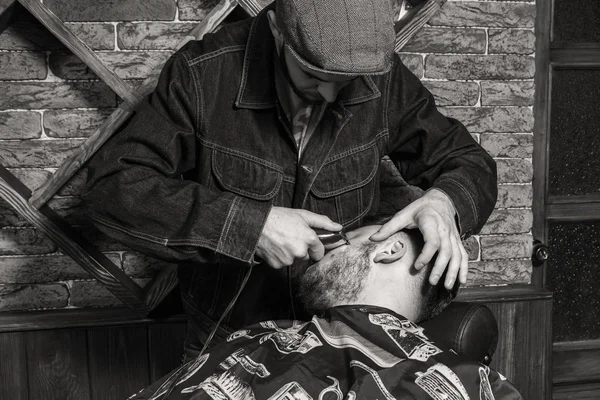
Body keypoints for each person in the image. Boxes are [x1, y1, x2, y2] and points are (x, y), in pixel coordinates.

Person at [82, 0, 497, 360]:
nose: (332, 96)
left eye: (345, 83)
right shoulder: (202, 73)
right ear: (277, 29)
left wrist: (446, 201)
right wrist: (249, 226)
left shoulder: (381, 78)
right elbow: (112, 189)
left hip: (338, 342)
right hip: (227, 342)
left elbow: (468, 160)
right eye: (315, 77)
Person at [128, 226, 522, 400]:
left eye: (345, 239)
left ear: (388, 249)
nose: (318, 248)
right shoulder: (260, 333)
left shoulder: (450, 380)